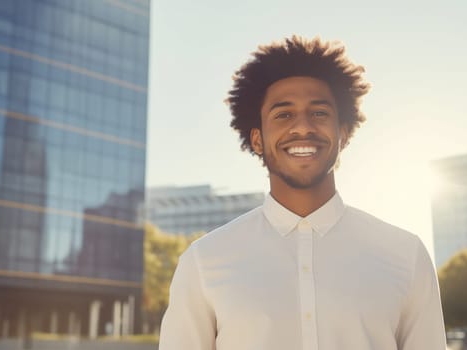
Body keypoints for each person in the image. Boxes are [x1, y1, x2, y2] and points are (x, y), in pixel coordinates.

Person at [159, 36, 446, 350]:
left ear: (344, 133)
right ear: (256, 140)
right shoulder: (203, 262)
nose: (303, 127)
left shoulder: (406, 255)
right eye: (283, 114)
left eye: (320, 113)